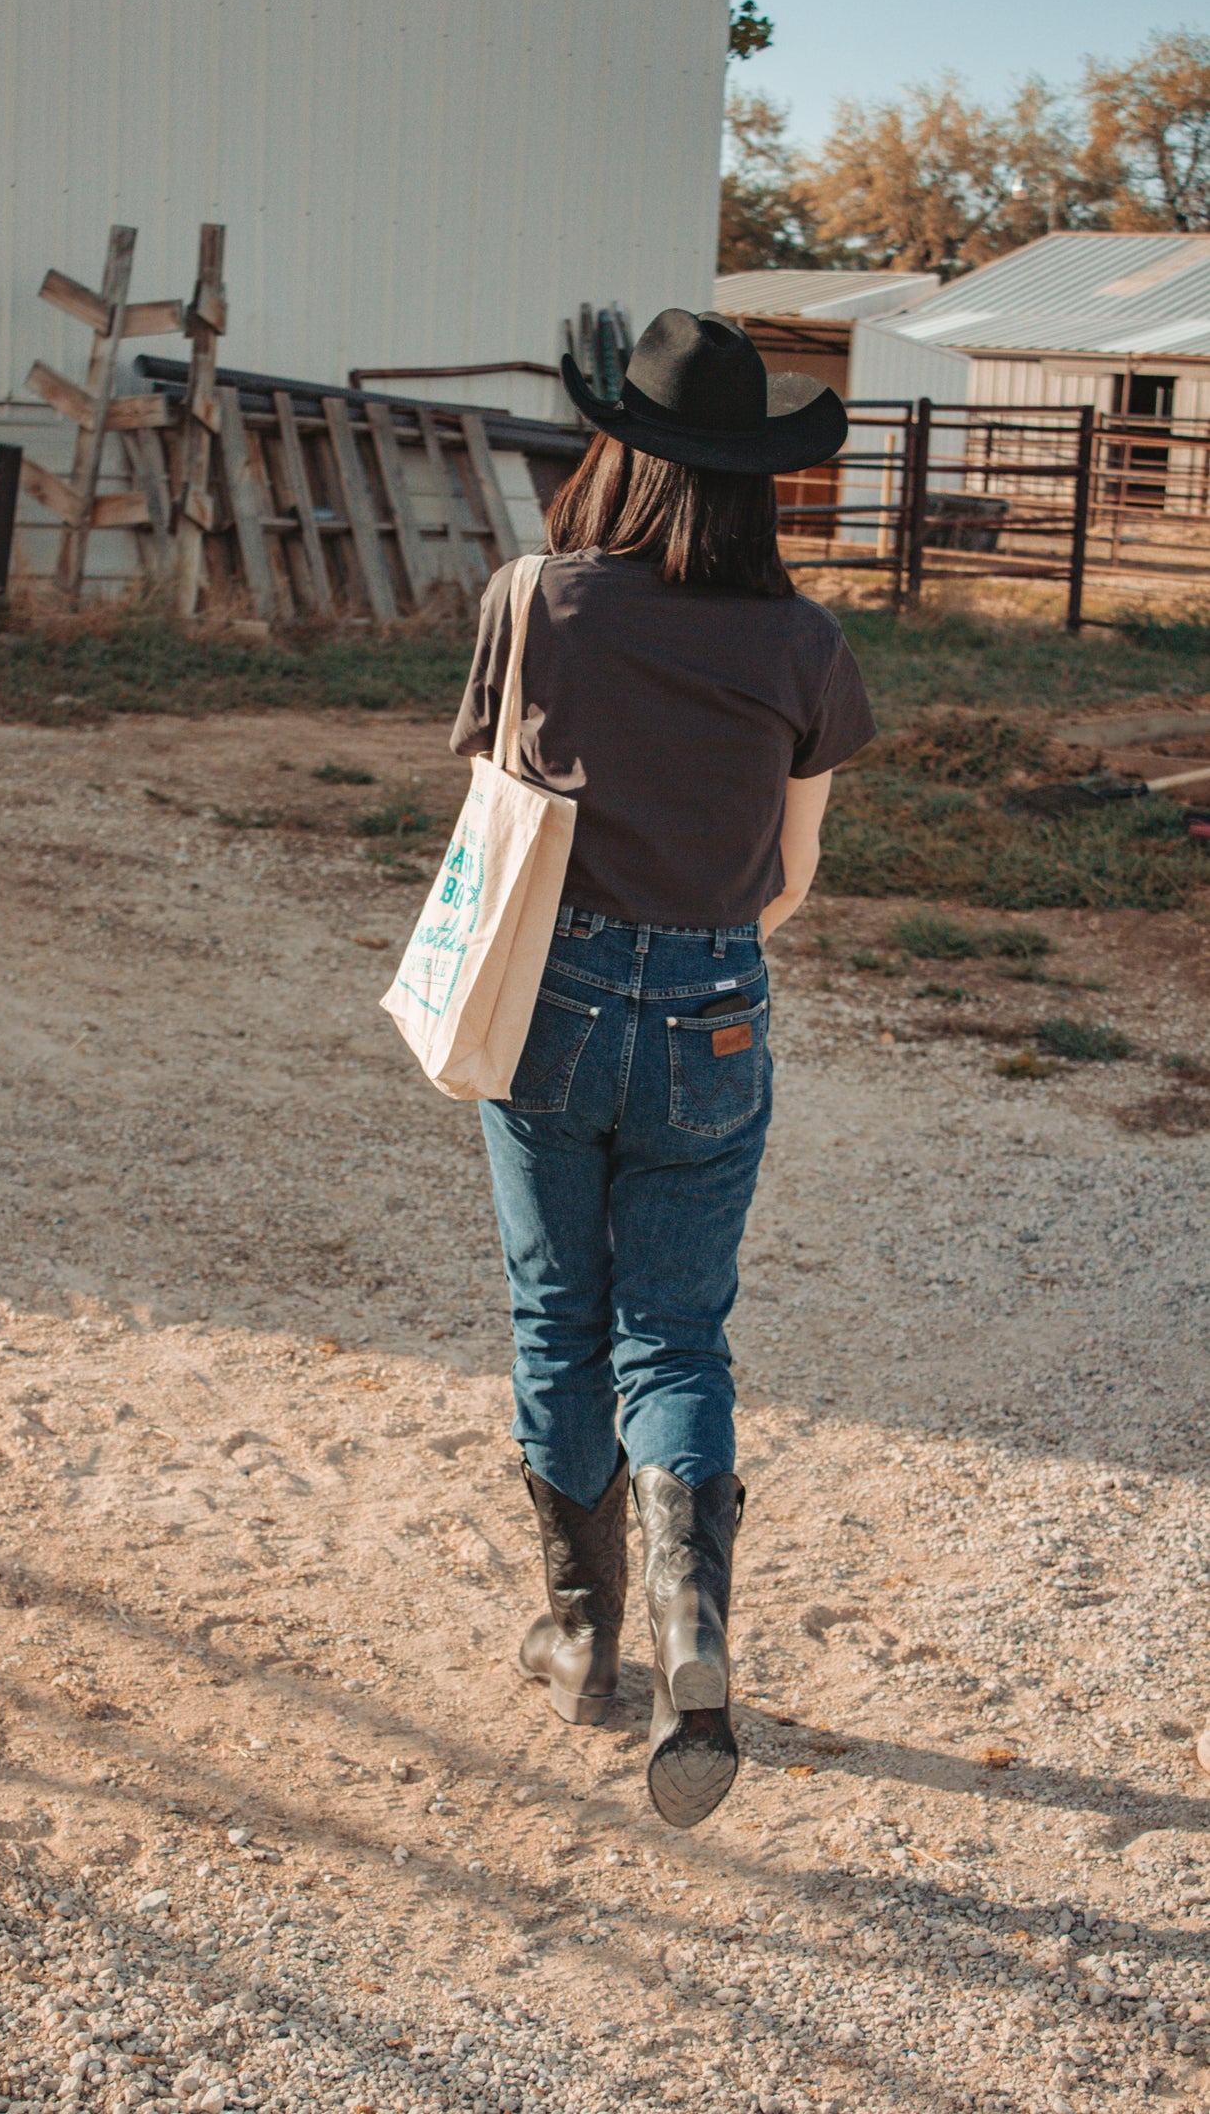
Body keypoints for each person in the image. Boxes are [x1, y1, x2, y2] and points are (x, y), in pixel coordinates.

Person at [449, 311, 876, 1828]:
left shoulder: (531, 602)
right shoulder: (801, 642)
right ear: (758, 479)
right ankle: (697, 1623)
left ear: (620, 452)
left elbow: (500, 828)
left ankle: (581, 1642)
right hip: (713, 1004)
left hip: (552, 992)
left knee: (557, 1313)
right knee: (676, 1337)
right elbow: (789, 881)